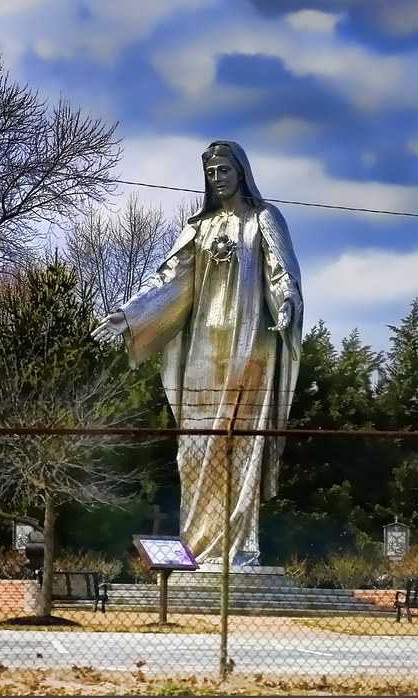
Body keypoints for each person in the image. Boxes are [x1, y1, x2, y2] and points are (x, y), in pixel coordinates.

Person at [92, 140, 302, 566]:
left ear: (241, 171)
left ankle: (240, 549)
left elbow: (282, 272)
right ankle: (198, 544)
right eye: (210, 172)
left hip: (249, 349)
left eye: (224, 169)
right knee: (193, 449)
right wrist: (129, 317)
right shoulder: (197, 229)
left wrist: (287, 303)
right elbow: (170, 282)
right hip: (204, 350)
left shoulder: (264, 219)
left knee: (239, 445)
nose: (217, 177)